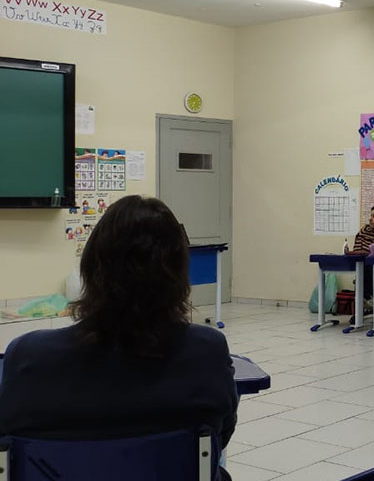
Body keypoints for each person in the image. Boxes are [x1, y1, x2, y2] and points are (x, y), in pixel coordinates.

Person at [0, 196, 238, 481]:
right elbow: (221, 433)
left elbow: (7, 436)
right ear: (179, 274)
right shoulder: (206, 351)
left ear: (90, 267)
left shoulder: (27, 356)